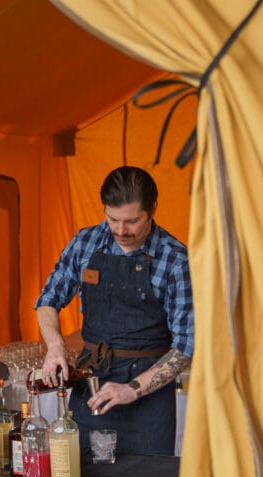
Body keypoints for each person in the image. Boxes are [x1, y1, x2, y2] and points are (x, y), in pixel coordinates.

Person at [35, 165, 193, 456]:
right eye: (113, 219)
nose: (122, 231)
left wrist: (131, 389)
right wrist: (55, 347)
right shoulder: (85, 243)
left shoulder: (175, 260)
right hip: (91, 385)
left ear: (153, 209)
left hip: (148, 398)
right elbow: (47, 299)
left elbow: (186, 346)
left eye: (132, 221)